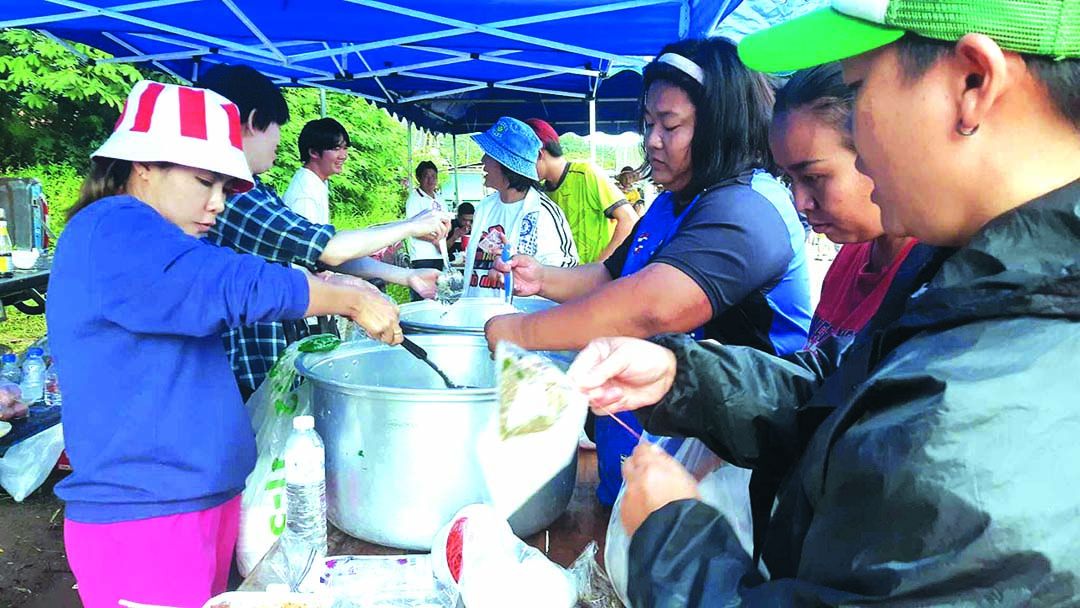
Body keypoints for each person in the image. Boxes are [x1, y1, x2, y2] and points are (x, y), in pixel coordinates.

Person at [570, 1, 1080, 603]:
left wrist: (672, 535)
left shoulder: (991, 416)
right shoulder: (975, 277)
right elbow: (848, 390)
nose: (857, 150)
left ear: (973, 83)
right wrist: (683, 376)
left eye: (858, 91)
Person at [47, 81, 403, 608]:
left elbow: (228, 275)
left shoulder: (163, 240)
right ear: (143, 166)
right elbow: (227, 285)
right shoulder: (113, 227)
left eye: (224, 187)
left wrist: (336, 285)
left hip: (192, 503)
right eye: (203, 181)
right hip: (146, 518)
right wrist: (342, 299)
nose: (216, 204)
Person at [487, 38, 813, 506]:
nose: (652, 140)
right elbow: (611, 276)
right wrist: (543, 278)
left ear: (720, 124)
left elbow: (649, 308)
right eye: (648, 123)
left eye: (670, 125)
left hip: (725, 470)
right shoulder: (671, 202)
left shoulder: (748, 209)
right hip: (644, 448)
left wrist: (518, 332)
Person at [199, 65, 450, 398]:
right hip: (244, 360)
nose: (279, 140)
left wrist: (406, 276)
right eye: (276, 127)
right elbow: (327, 250)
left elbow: (323, 254)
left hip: (265, 346)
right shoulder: (237, 194)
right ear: (253, 121)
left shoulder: (256, 190)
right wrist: (411, 226)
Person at [771, 63, 917, 352]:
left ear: (878, 153)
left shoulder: (934, 278)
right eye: (789, 180)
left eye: (813, 178)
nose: (800, 203)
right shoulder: (853, 255)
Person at [461, 116, 578, 299]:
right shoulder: (484, 207)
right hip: (477, 314)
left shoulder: (544, 213)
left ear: (506, 164)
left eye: (489, 154)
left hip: (523, 315)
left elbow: (565, 274)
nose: (483, 160)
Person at [527, 118, 637, 263]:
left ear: (540, 154)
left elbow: (629, 220)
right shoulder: (542, 192)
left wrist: (599, 267)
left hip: (595, 274)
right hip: (566, 275)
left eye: (524, 159)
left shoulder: (586, 174)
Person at [283, 117, 348, 225]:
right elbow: (307, 235)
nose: (343, 156)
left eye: (345, 148)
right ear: (313, 152)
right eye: (336, 149)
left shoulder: (315, 182)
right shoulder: (304, 197)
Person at [404, 160, 446, 299]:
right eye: (426, 176)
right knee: (421, 294)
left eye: (433, 176)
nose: (431, 180)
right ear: (419, 178)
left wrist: (442, 238)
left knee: (437, 294)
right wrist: (435, 240)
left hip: (439, 255)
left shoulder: (440, 199)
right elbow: (413, 229)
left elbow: (447, 222)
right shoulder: (414, 199)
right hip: (422, 256)